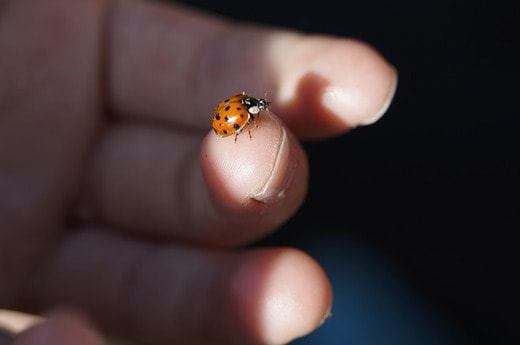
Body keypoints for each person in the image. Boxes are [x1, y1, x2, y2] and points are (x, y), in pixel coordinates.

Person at [0, 0, 397, 344]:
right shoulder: (242, 110)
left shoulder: (244, 108)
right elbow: (236, 121)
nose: (258, 111)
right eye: (257, 110)